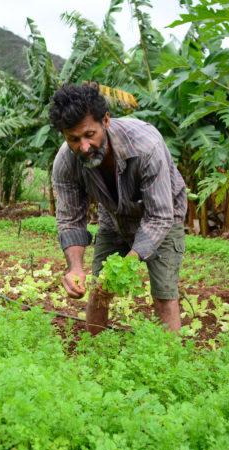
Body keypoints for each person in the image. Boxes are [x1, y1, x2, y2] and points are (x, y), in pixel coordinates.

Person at [49, 83, 187, 334]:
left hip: (162, 216)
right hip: (113, 216)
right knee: (99, 289)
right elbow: (70, 220)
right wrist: (75, 268)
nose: (84, 147)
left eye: (90, 135)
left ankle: (170, 360)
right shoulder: (65, 163)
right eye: (73, 139)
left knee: (164, 293)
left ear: (106, 121)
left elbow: (158, 216)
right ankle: (95, 350)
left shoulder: (146, 146)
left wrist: (126, 267)